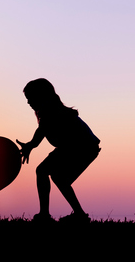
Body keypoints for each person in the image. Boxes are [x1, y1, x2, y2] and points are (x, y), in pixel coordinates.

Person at [16, 78, 100, 223]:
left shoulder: (51, 111)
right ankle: (78, 215)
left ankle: (46, 215)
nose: (28, 102)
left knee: (47, 172)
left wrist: (30, 146)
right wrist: (30, 146)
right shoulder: (49, 112)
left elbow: (40, 132)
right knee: (55, 176)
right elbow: (41, 131)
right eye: (27, 99)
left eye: (30, 98)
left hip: (82, 146)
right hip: (75, 146)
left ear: (41, 96)